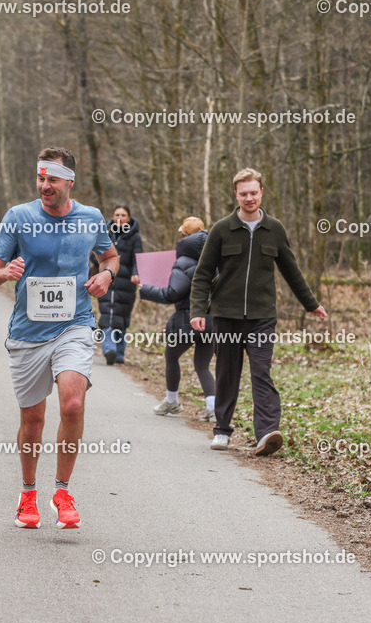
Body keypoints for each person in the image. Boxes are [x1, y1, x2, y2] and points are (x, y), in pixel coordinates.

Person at [0, 146, 119, 530]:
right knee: (33, 421)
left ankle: (62, 491)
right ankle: (28, 495)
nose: (44, 185)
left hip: (74, 324)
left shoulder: (90, 218)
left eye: (52, 179)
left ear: (69, 182)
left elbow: (111, 257)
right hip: (27, 331)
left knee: (72, 404)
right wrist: (5, 272)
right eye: (41, 178)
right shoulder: (19, 217)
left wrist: (106, 276)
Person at [190, 168, 326, 456]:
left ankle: (266, 434)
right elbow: (202, 274)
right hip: (225, 316)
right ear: (236, 195)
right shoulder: (221, 229)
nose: (249, 197)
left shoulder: (274, 229)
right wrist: (198, 310)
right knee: (227, 373)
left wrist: (311, 303)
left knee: (262, 371)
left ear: (261, 192)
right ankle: (222, 431)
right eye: (243, 193)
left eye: (254, 192)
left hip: (262, 317)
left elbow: (291, 270)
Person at [136, 217, 215, 421]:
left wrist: (146, 289)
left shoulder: (183, 261)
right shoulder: (215, 258)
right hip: (212, 320)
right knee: (202, 365)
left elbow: (172, 294)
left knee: (171, 357)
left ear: (185, 236)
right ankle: (213, 407)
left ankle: (172, 402)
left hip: (187, 320)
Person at [95, 205, 142, 365]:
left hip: (127, 282)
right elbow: (95, 253)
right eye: (117, 214)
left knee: (122, 316)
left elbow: (138, 257)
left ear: (129, 218)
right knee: (107, 314)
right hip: (106, 278)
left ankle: (120, 352)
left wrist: (137, 273)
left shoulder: (135, 237)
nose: (119, 217)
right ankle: (109, 349)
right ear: (113, 216)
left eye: (123, 215)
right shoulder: (105, 233)